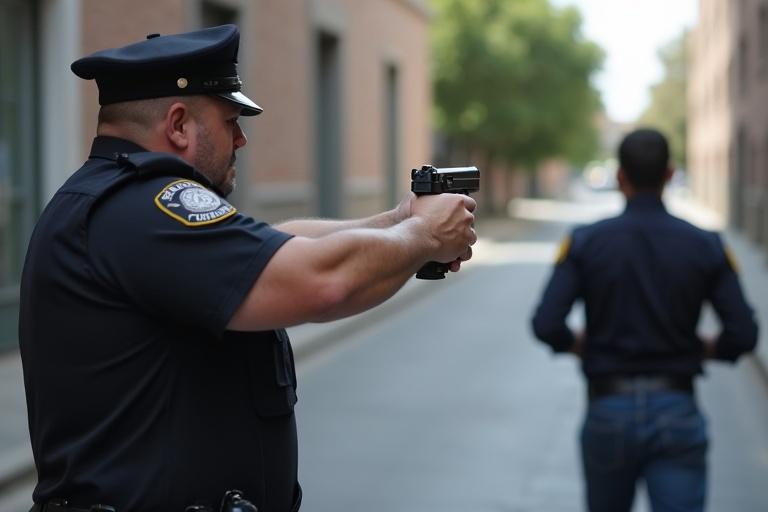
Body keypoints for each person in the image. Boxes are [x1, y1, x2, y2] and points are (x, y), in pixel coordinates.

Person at [19, 25, 476, 512]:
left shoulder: (124, 207)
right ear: (178, 125)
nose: (241, 139)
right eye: (230, 120)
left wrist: (398, 220)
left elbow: (275, 244)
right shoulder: (141, 208)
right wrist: (425, 236)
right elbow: (320, 281)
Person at [530, 128, 758, 512]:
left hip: (608, 408)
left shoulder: (586, 241)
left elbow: (546, 323)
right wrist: (701, 346)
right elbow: (744, 333)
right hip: (677, 407)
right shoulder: (705, 244)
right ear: (669, 175)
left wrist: (583, 344)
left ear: (621, 177)